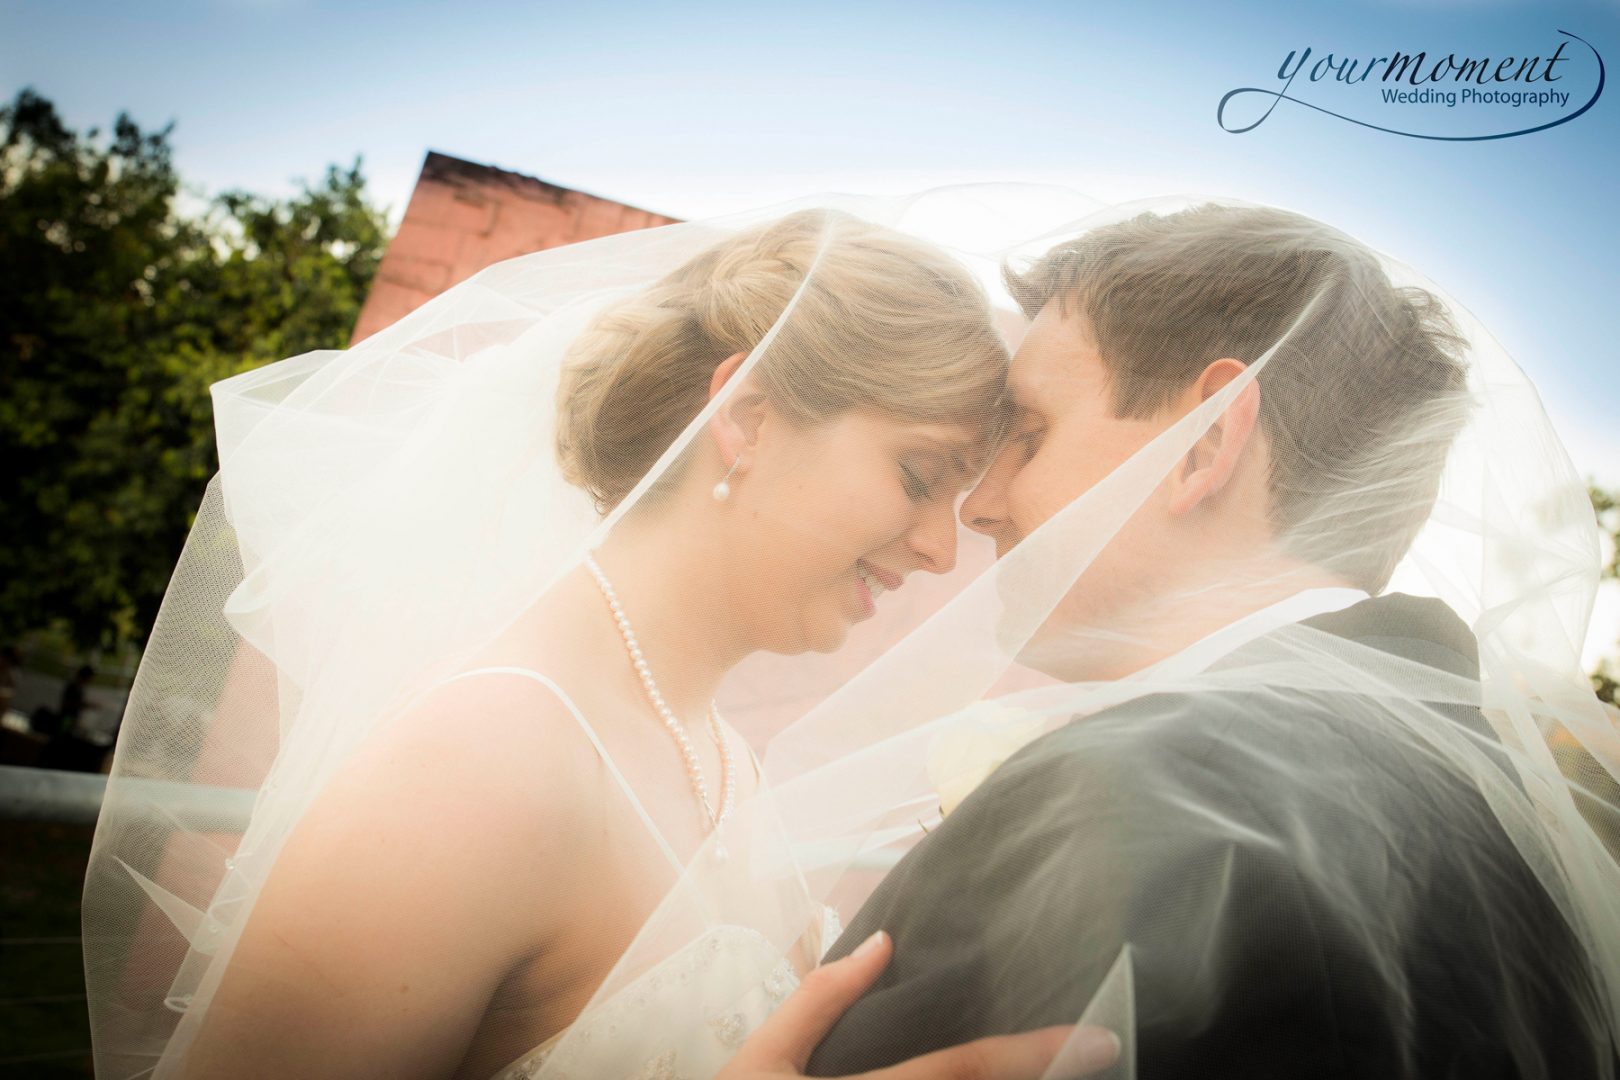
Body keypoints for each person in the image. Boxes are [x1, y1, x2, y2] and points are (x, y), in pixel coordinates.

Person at [81, 204, 1118, 1079]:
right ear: (747, 417)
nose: (943, 546)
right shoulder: (484, 766)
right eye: (917, 473)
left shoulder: (715, 758)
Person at [801, 204, 1620, 1076]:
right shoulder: (1521, 818)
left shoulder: (1139, 787)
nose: (981, 504)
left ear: (1206, 445)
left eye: (1032, 435)